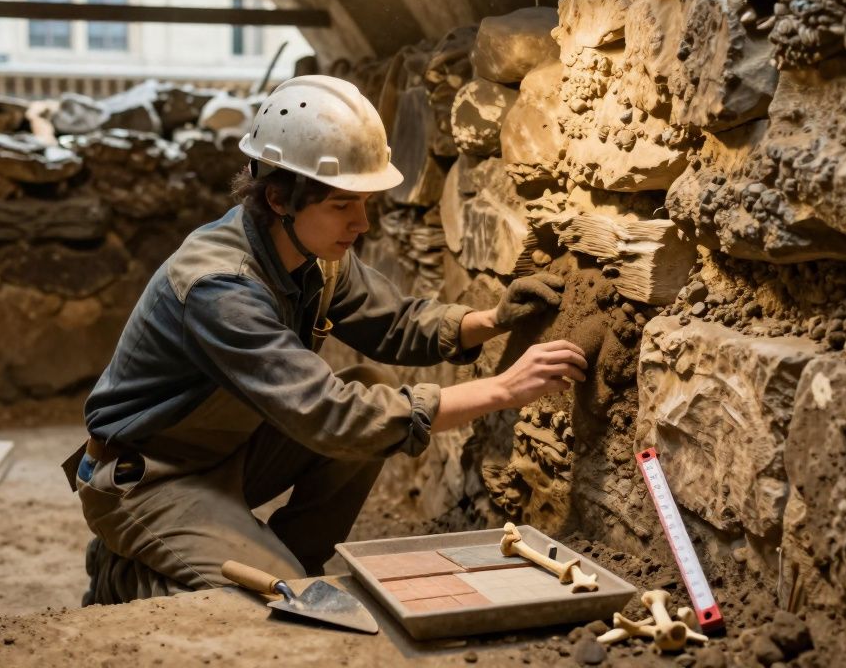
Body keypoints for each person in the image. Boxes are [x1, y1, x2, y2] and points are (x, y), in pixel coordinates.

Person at [65, 75, 586, 605]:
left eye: (364, 203)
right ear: (279, 198)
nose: (361, 223)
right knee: (274, 599)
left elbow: (394, 323)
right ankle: (123, 573)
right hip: (150, 478)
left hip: (229, 450)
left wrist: (490, 319)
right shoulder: (220, 287)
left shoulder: (311, 254)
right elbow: (331, 415)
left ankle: (288, 559)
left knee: (370, 384)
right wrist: (502, 390)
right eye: (342, 205)